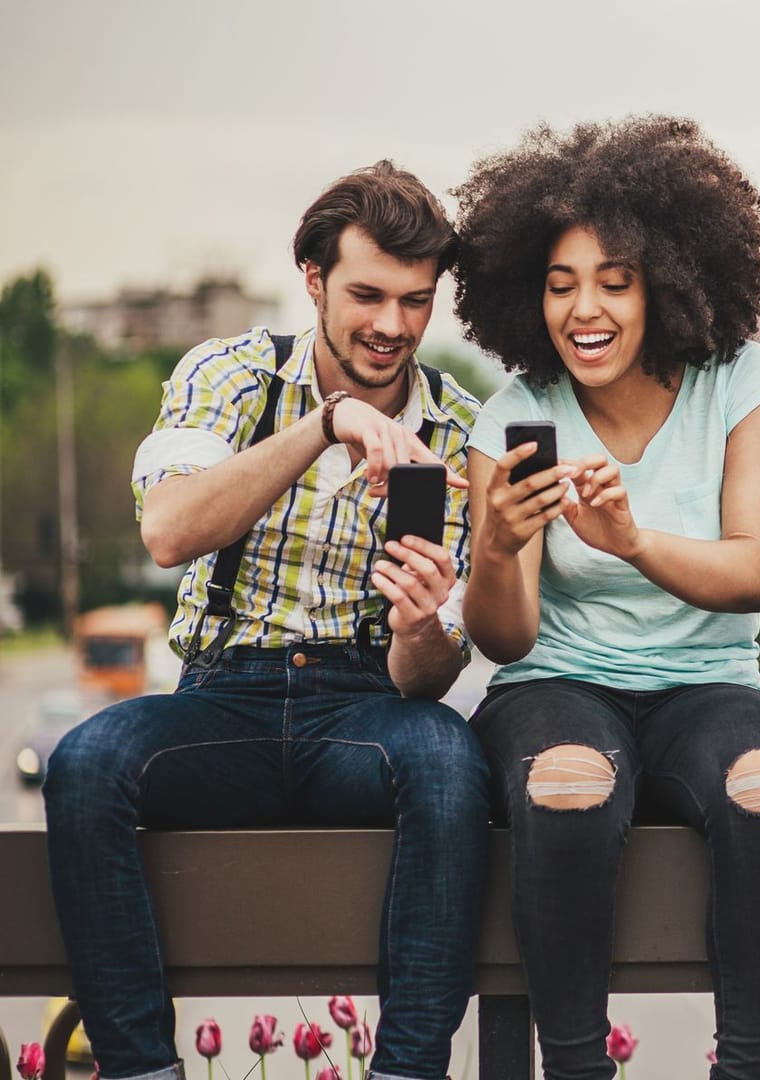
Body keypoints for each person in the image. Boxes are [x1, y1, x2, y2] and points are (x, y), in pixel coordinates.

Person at [43, 162, 487, 1080]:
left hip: (364, 711)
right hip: (220, 704)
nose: (392, 325)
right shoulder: (230, 374)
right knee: (85, 765)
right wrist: (330, 425)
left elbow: (426, 681)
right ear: (315, 280)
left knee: (450, 761)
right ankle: (141, 1070)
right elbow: (168, 530)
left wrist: (419, 626)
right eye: (367, 294)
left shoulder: (460, 429)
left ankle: (407, 1072)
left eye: (415, 300)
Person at [453, 116, 760, 1080]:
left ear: (668, 281)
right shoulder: (512, 416)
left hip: (710, 683)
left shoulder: (743, 382)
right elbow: (504, 636)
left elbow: (756, 571)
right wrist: (495, 545)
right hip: (557, 685)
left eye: (615, 281)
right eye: (562, 284)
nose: (586, 309)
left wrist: (632, 542)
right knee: (568, 781)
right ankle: (576, 1065)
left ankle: (749, 1066)